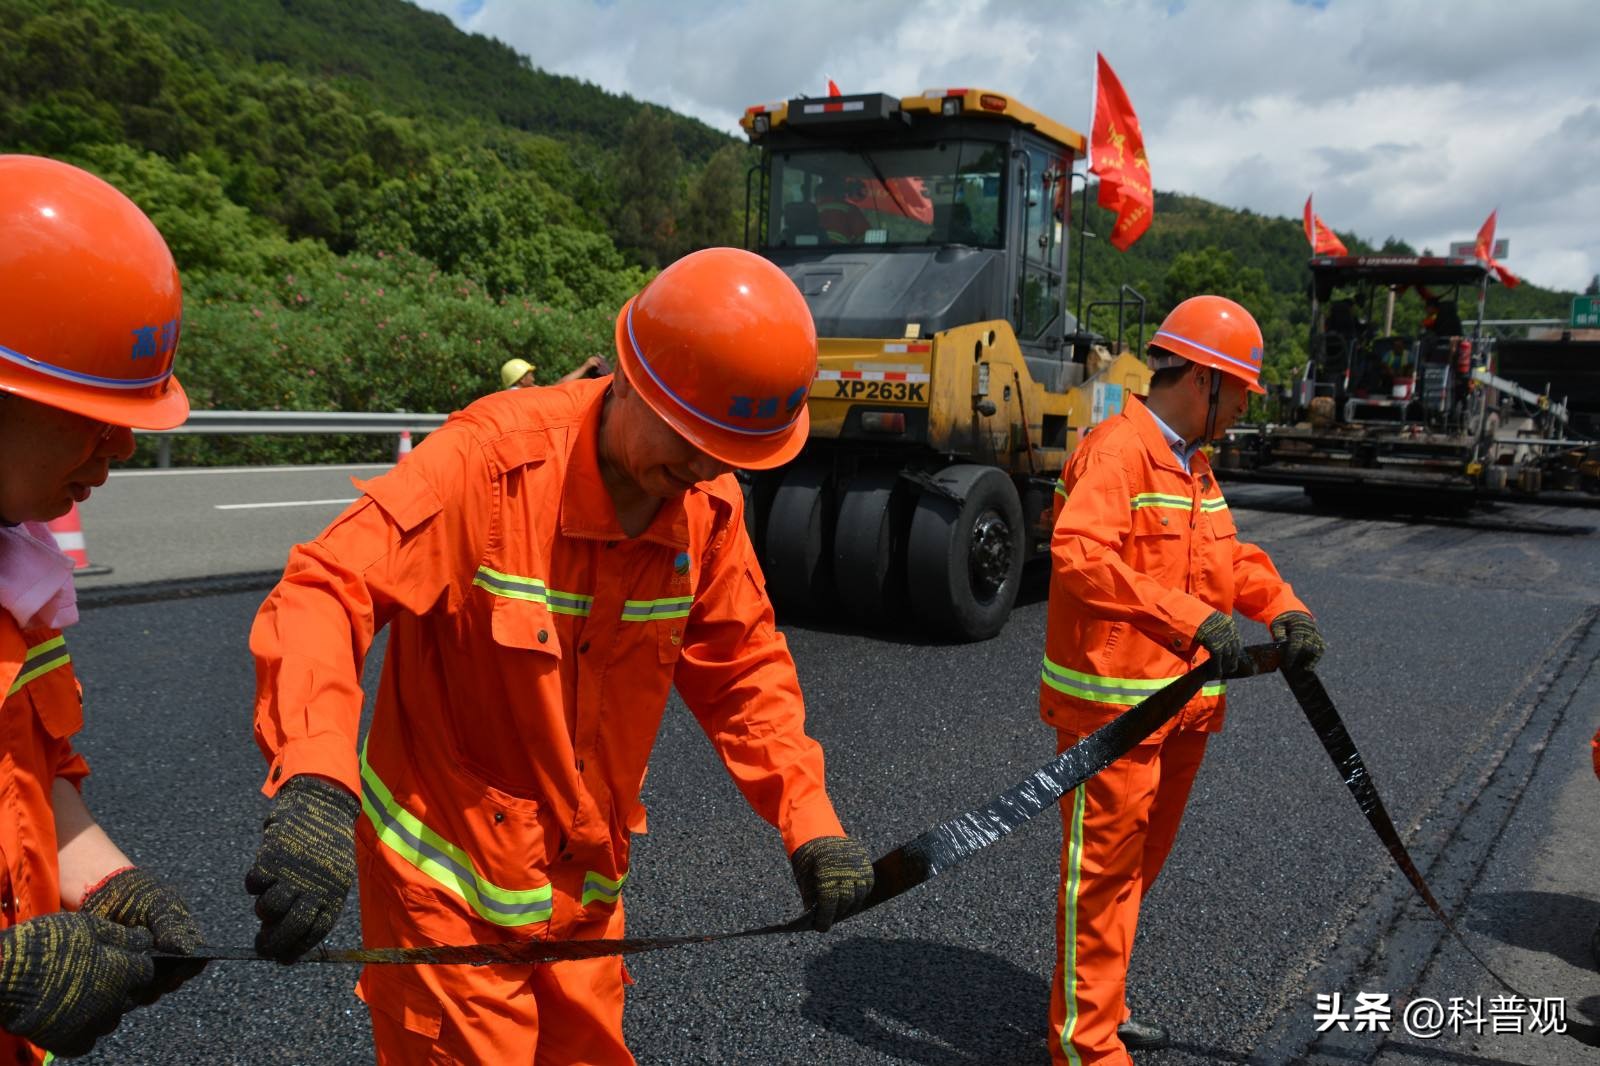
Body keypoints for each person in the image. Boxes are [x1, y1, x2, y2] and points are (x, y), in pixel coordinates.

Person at [247, 247, 874, 1064]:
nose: (700, 471)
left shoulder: (706, 509)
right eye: (688, 442)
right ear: (626, 375)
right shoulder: (489, 466)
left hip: (583, 902)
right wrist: (316, 780)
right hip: (445, 903)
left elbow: (747, 673)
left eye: (726, 457)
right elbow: (327, 589)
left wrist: (810, 823)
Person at [1040, 295, 1325, 1065]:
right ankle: (1084, 1049)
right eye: (1238, 395)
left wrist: (1285, 610)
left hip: (1180, 710)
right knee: (1099, 884)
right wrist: (1188, 620)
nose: (1240, 413)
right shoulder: (1118, 451)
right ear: (1202, 380)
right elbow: (1079, 554)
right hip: (1115, 713)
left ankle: (1104, 1008)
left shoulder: (1192, 465)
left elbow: (1231, 562)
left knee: (1135, 875)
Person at [0, 155, 206, 1061]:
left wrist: (109, 883)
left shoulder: (16, 573)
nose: (119, 448)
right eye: (87, 413)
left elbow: (29, 783)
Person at [500, 354, 610, 390]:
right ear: (522, 380)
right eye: (530, 374)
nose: (533, 377)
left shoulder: (508, 398)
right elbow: (556, 388)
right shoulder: (524, 396)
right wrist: (585, 367)